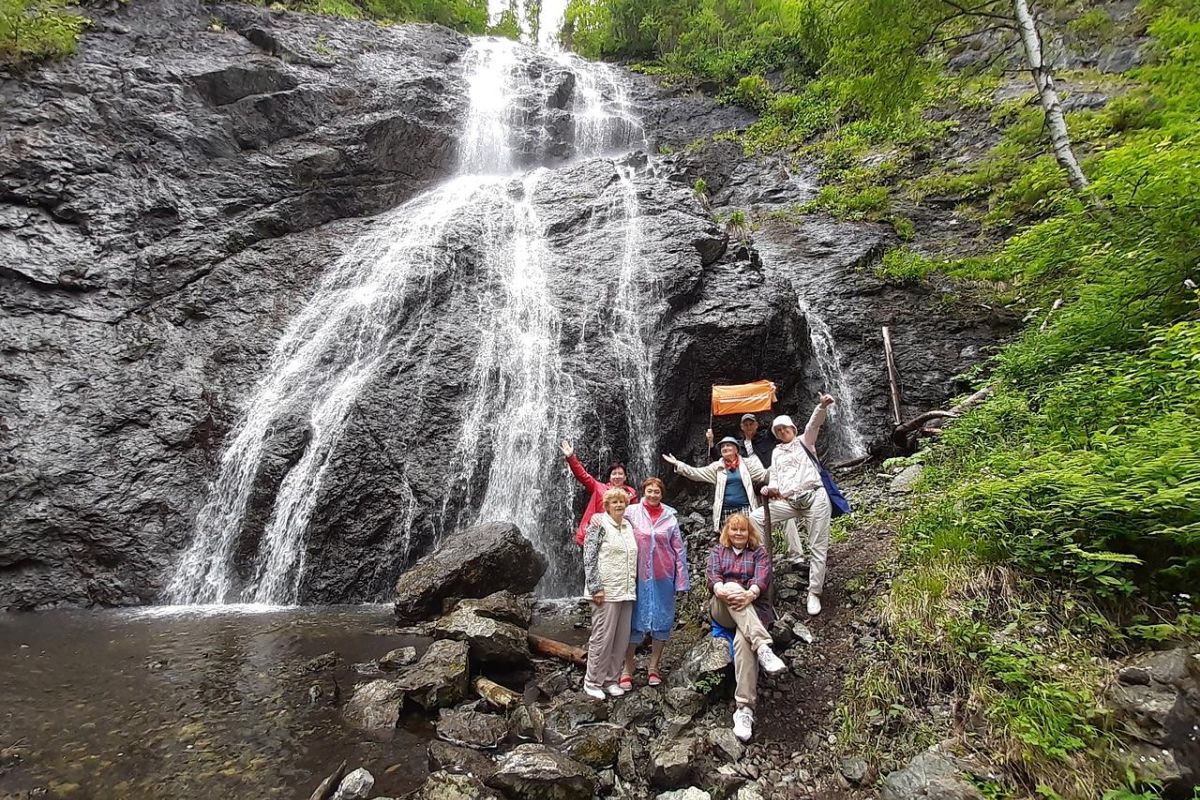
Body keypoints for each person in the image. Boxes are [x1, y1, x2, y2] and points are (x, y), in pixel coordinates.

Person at [749, 393, 836, 617]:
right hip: (790, 501)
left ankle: (814, 592)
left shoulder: (805, 442)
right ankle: (763, 567)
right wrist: (771, 488)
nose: (782, 432)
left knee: (817, 545)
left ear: (793, 429)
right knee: (756, 519)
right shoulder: (777, 453)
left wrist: (822, 406)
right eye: (778, 431)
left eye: (785, 429)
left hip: (814, 497)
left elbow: (813, 424)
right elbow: (776, 477)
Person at [706, 512, 786, 742]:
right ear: (727, 532)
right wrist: (723, 590)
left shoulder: (759, 553)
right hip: (723, 609)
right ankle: (763, 645)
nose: (738, 533)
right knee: (730, 585)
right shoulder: (717, 552)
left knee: (743, 643)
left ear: (749, 532)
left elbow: (762, 578)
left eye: (742, 529)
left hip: (752, 611)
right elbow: (713, 577)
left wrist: (750, 594)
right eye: (734, 529)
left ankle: (744, 709)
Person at [620, 477, 688, 689]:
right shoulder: (631, 512)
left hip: (663, 574)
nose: (652, 495)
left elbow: (678, 549)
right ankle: (627, 668)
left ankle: (653, 667)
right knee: (632, 621)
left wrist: (682, 581)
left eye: (656, 492)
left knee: (662, 621)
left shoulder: (670, 517)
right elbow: (610, 517)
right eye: (649, 491)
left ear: (662, 494)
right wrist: (594, 520)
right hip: (636, 575)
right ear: (643, 492)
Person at [582, 487, 639, 700]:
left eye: (622, 502)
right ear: (606, 506)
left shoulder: (627, 526)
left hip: (625, 591)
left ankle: (611, 680)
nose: (618, 505)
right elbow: (589, 557)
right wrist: (595, 587)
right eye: (614, 502)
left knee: (621, 639)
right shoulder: (598, 525)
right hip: (605, 592)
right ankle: (592, 681)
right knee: (602, 638)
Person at [662, 437, 767, 532]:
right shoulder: (717, 467)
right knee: (728, 542)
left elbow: (764, 475)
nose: (725, 448)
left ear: (736, 450)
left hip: (746, 508)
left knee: (747, 537)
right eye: (722, 446)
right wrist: (677, 464)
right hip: (725, 510)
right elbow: (695, 473)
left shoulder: (747, 464)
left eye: (728, 445)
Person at [561, 440, 638, 546]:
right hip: (597, 534)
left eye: (620, 474)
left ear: (625, 477)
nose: (617, 476)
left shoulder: (632, 494)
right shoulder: (599, 488)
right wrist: (571, 457)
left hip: (621, 537)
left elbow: (635, 518)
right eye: (614, 474)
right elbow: (583, 476)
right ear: (610, 477)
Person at [707, 412, 775, 467]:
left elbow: (775, 426)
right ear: (742, 427)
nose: (749, 427)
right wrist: (711, 442)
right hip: (746, 478)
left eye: (751, 424)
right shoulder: (737, 445)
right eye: (746, 425)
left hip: (767, 473)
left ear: (756, 425)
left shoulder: (766, 436)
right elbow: (720, 457)